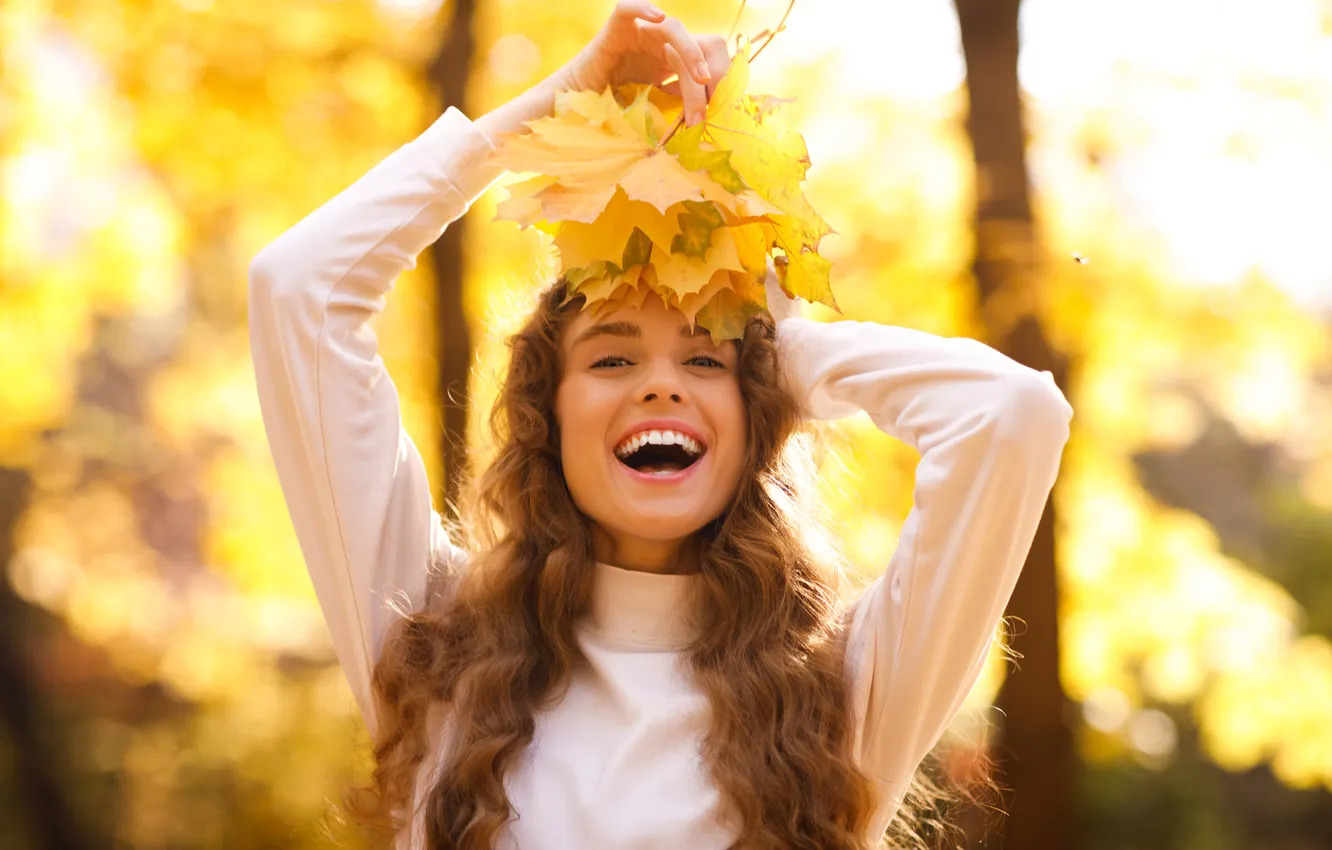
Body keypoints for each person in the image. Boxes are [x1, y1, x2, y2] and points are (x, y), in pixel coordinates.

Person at [247, 3, 1073, 848]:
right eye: (612, 360)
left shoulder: (846, 689)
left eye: (702, 361)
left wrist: (774, 357)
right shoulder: (430, 642)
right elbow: (299, 291)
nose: (660, 389)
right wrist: (553, 112)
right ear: (547, 415)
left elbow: (1011, 415)